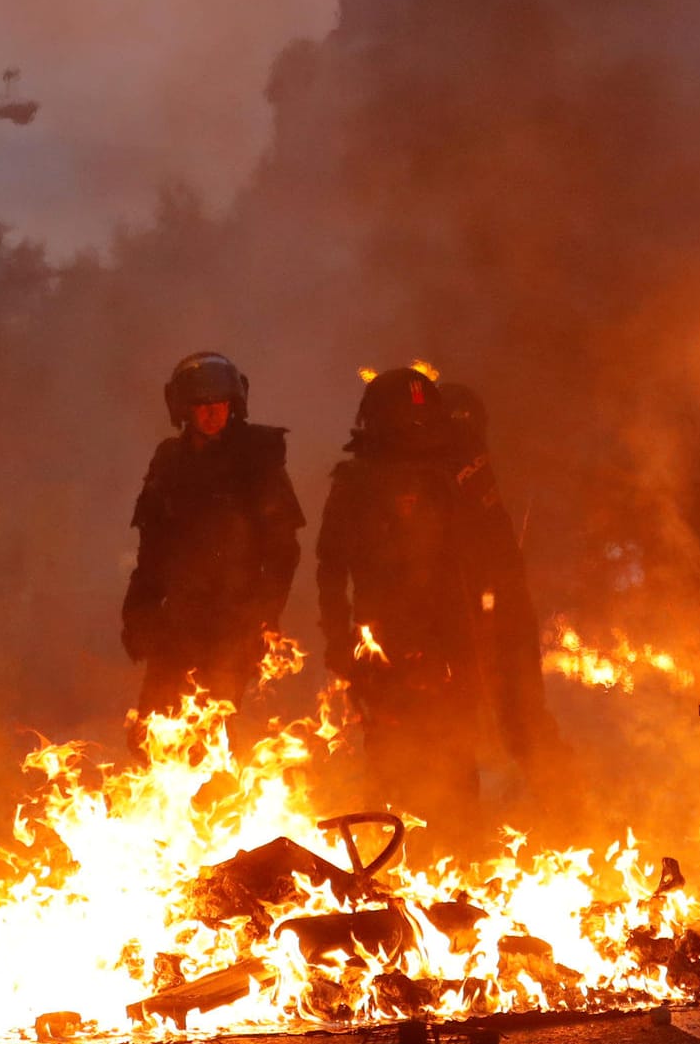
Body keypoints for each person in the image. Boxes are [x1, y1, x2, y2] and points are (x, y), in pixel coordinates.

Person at [316, 367, 536, 850]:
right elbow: (330, 567)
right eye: (402, 421)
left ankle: (460, 861)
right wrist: (337, 641)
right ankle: (390, 861)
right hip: (382, 641)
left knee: (455, 754)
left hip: (452, 635)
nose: (413, 431)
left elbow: (499, 550)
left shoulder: (459, 468)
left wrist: (496, 628)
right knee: (389, 753)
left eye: (421, 421)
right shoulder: (355, 480)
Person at [122, 352, 305, 748]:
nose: (212, 414)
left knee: (210, 737)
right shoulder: (169, 461)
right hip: (179, 622)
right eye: (202, 406)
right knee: (151, 737)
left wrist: (262, 616)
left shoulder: (256, 458)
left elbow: (283, 551)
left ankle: (223, 807)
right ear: (185, 410)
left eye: (219, 404)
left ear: (233, 405)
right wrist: (138, 613)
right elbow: (151, 551)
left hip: (233, 622)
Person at [441, 382, 558, 789]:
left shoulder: (465, 468)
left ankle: (566, 815)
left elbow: (495, 548)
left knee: (518, 719)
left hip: (496, 613)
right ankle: (564, 812)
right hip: (482, 611)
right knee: (502, 721)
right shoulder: (464, 467)